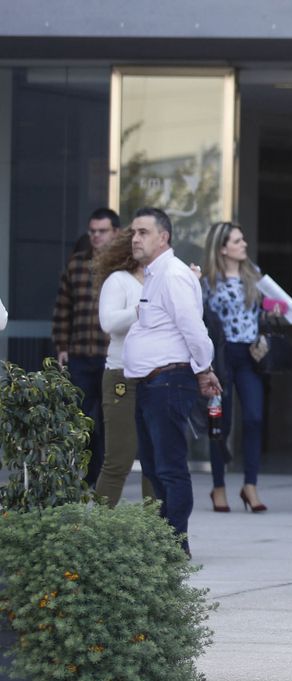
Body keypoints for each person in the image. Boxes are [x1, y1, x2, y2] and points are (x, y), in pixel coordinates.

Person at [122, 207, 221, 552]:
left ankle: (176, 544)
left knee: (169, 467)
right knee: (153, 465)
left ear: (163, 237)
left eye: (143, 232)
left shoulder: (173, 275)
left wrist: (204, 369)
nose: (135, 238)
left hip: (168, 382)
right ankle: (166, 541)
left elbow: (193, 328)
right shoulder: (155, 274)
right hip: (151, 384)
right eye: (134, 232)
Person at [199, 222, 269, 514]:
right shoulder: (206, 282)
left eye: (243, 239)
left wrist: (273, 312)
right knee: (220, 424)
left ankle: (250, 485)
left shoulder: (256, 278)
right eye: (238, 241)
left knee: (254, 417)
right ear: (223, 248)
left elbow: (278, 310)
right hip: (221, 358)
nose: (244, 245)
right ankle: (218, 485)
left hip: (250, 356)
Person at [52, 207, 119, 487]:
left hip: (112, 356)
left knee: (109, 420)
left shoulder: (124, 266)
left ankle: (104, 478)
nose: (96, 236)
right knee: (82, 417)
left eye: (102, 231)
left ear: (115, 232)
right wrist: (62, 345)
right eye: (92, 231)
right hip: (80, 354)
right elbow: (63, 307)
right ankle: (88, 477)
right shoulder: (76, 263)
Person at [93, 229, 153, 506]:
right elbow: (108, 323)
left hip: (156, 376)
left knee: (156, 462)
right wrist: (140, 310)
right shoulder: (118, 281)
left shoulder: (163, 279)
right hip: (122, 375)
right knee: (119, 458)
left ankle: (155, 534)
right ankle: (97, 534)